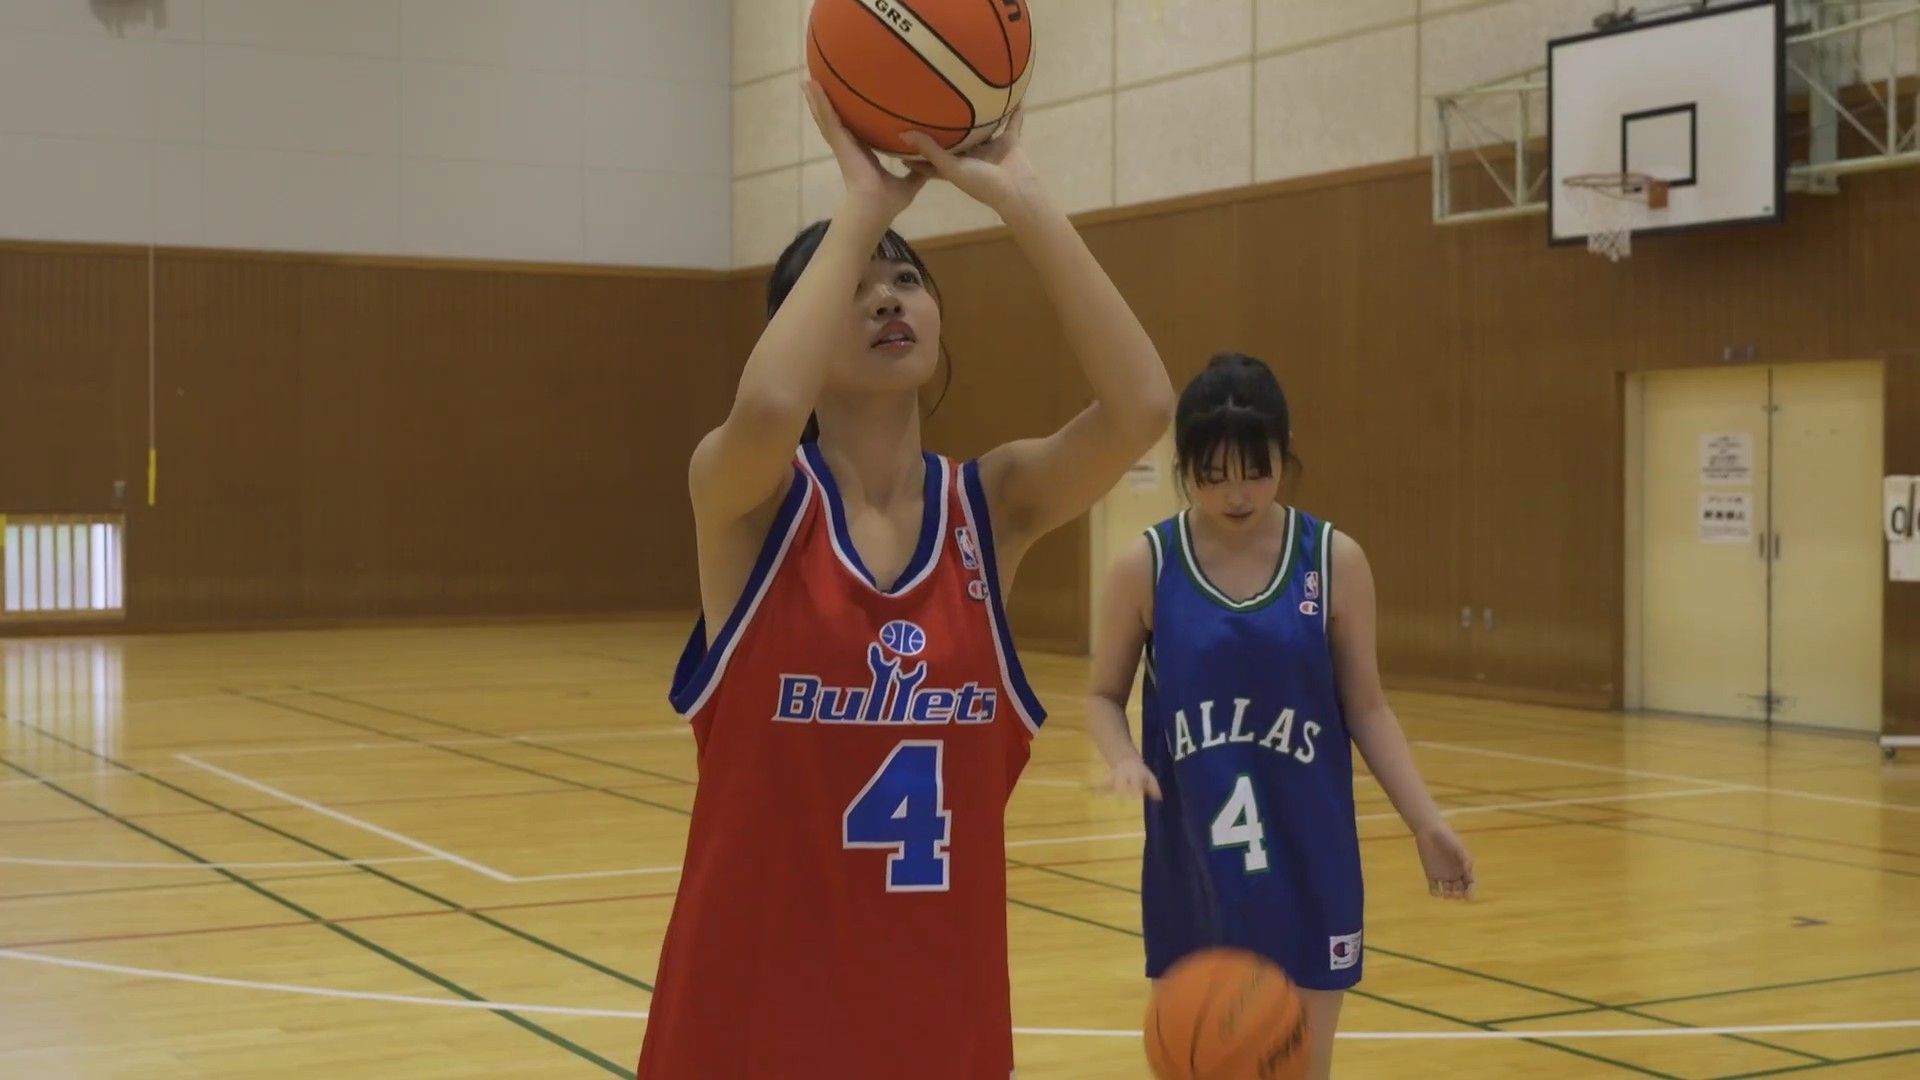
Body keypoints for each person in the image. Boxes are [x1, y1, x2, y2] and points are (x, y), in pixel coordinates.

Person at [635, 83, 1174, 1080]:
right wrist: (863, 205)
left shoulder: (991, 508)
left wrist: (1019, 193)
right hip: (751, 1028)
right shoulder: (747, 501)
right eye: (855, 285)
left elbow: (1143, 404)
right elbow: (769, 407)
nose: (887, 297)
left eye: (907, 279)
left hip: (937, 1029)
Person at [1084, 353, 1475, 1080]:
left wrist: (1426, 822)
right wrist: (1124, 758)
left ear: (1285, 454)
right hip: (1194, 870)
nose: (1235, 494)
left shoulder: (1333, 560)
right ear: (1183, 467)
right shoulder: (1147, 565)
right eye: (1212, 475)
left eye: (1255, 471)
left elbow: (1368, 708)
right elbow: (1102, 695)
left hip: (1309, 863)